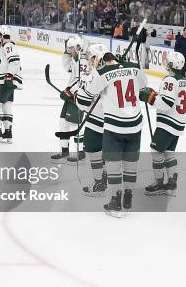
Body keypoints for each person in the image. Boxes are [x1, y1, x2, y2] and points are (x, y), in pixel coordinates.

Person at [82, 49, 149, 216]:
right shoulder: (133, 68)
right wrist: (124, 68)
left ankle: (115, 202)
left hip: (115, 126)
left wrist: (96, 70)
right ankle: (128, 199)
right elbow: (143, 84)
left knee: (113, 165)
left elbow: (86, 98)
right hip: (135, 124)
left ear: (101, 59)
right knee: (130, 164)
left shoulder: (101, 73)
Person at [64, 43, 107, 196]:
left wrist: (73, 96)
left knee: (94, 151)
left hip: (96, 120)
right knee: (105, 152)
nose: (88, 61)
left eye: (90, 58)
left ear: (96, 57)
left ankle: (99, 183)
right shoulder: (106, 72)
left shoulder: (96, 74)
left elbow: (83, 102)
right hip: (110, 121)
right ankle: (105, 178)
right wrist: (73, 91)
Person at [144, 51, 185, 196]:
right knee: (169, 153)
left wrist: (149, 98)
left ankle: (159, 183)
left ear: (171, 65)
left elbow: (166, 103)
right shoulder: (183, 80)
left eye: (167, 61)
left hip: (167, 123)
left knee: (156, 151)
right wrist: (155, 94)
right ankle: (172, 184)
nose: (165, 62)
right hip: (178, 124)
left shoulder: (170, 80)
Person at [52, 37, 85, 162]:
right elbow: (67, 68)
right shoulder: (75, 59)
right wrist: (68, 91)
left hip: (78, 97)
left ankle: (80, 152)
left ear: (77, 47)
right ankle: (64, 151)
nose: (68, 50)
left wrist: (72, 92)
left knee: (77, 125)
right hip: (71, 95)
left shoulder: (83, 61)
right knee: (63, 122)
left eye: (70, 48)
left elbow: (84, 81)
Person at [0, 26, 23, 143]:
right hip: (9, 81)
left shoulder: (8, 46)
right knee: (6, 105)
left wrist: (9, 75)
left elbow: (15, 61)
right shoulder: (6, 46)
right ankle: (8, 133)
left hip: (5, 81)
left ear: (0, 36)